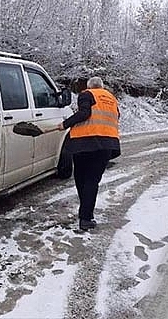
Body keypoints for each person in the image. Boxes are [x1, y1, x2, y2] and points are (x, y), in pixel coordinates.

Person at [58, 76, 121, 231]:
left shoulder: (87, 94)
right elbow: (116, 116)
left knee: (81, 178)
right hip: (106, 144)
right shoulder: (112, 99)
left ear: (89, 86)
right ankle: (86, 216)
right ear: (102, 87)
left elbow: (84, 114)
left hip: (84, 143)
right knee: (92, 181)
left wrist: (65, 124)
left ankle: (85, 215)